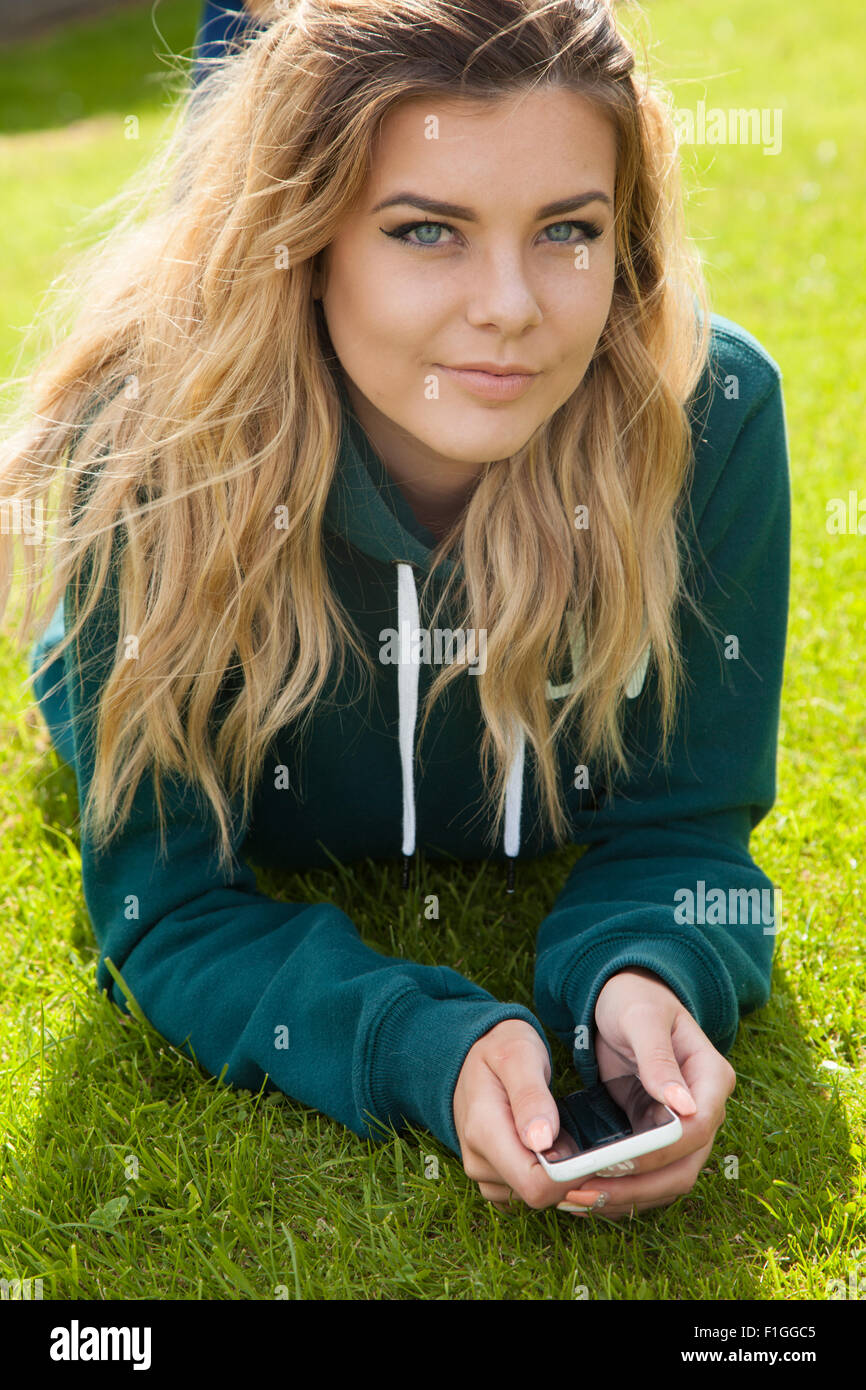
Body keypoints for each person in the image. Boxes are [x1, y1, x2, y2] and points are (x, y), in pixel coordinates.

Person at [3, 0, 790, 1221]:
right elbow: (168, 909)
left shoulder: (711, 409)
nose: (510, 306)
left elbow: (688, 834)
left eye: (566, 231)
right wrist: (426, 1049)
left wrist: (650, 974)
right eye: (427, 229)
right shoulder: (148, 444)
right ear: (306, 238)